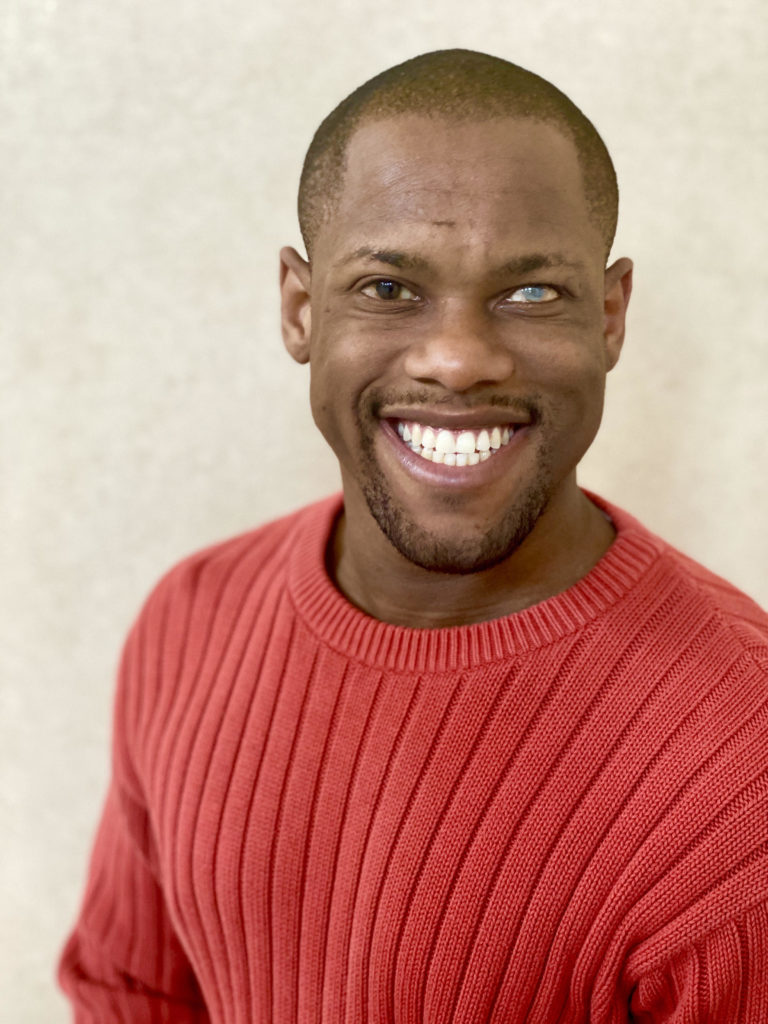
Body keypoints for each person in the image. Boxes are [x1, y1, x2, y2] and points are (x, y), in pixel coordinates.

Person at [58, 49, 768, 1023]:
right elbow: (128, 992)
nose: (459, 359)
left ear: (610, 316)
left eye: (531, 294)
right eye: (390, 289)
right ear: (301, 307)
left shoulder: (740, 764)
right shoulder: (192, 616)